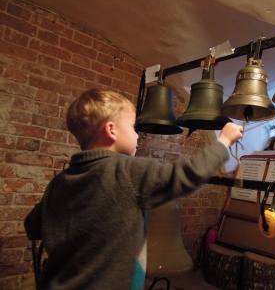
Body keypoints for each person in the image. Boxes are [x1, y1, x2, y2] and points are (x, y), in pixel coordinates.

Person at [24, 88, 243, 290]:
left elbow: (32, 227)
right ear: (111, 130)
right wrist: (223, 141)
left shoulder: (60, 182)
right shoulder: (127, 171)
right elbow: (189, 174)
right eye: (132, 126)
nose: (138, 134)